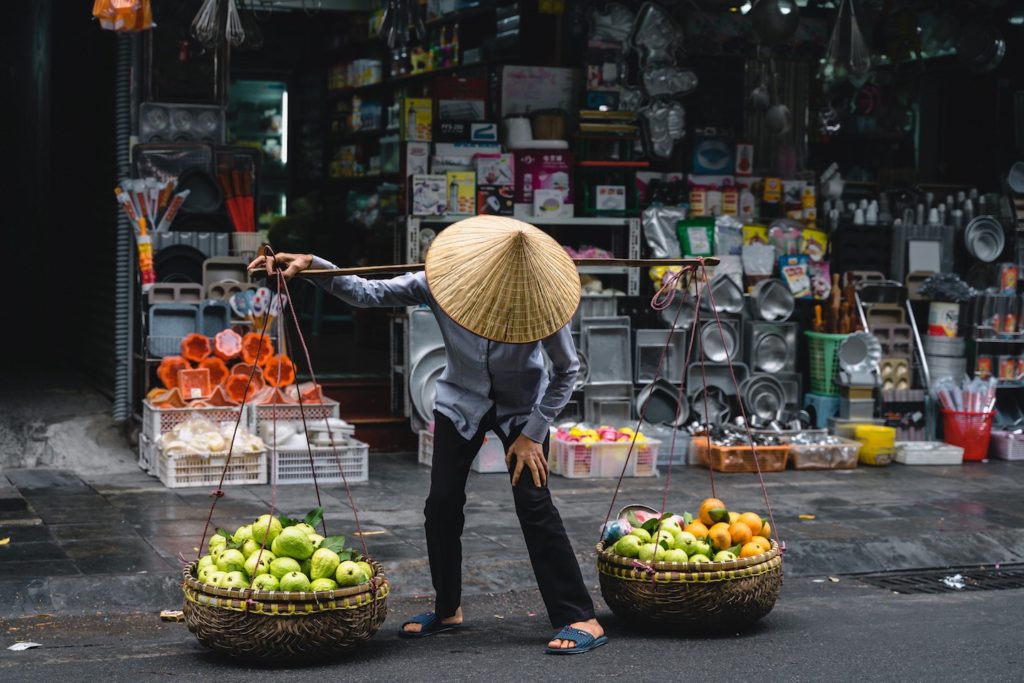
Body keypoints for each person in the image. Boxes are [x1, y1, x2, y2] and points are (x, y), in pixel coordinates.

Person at [248, 216, 606, 654]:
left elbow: (567, 371)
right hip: (460, 402)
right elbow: (367, 292)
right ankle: (447, 608)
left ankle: (579, 616)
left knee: (534, 506)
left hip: (522, 411)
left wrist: (533, 432)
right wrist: (314, 265)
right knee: (440, 505)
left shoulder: (538, 301)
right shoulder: (442, 283)